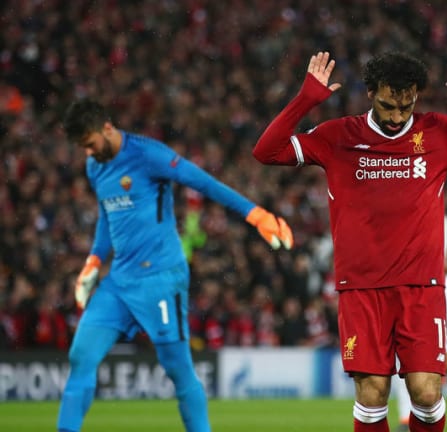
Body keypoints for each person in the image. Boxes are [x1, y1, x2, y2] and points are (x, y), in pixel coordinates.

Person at [252, 51, 447, 432]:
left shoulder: (438, 132)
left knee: (426, 393)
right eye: (387, 106)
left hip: (422, 287)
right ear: (370, 93)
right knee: (372, 394)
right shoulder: (339, 136)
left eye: (406, 106)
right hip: (361, 288)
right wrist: (306, 100)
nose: (397, 117)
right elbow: (266, 151)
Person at [57, 99, 293, 432]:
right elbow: (107, 216)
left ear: (106, 128)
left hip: (161, 280)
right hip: (119, 283)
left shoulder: (148, 154)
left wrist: (255, 215)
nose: (88, 153)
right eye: (83, 147)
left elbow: (203, 183)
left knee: (178, 371)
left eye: (90, 143)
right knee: (81, 357)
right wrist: (93, 261)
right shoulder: (96, 166)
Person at [395, 214, 447, 431]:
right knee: (406, 361)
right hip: (410, 296)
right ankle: (404, 419)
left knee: (446, 364)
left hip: (443, 297)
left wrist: (415, 264)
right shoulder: (405, 220)